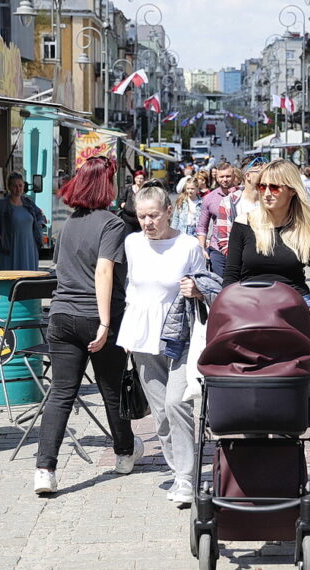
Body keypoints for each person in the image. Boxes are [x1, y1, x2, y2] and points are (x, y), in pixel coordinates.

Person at [34, 156, 143, 496]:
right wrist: (106, 322)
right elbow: (104, 271)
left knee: (61, 394)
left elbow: (60, 269)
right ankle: (124, 454)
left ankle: (44, 470)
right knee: (111, 389)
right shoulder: (111, 224)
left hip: (61, 315)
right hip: (95, 315)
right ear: (105, 186)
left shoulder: (69, 223)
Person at [117, 185, 204, 506]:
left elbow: (206, 284)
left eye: (153, 215)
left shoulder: (188, 245)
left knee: (176, 403)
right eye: (142, 216)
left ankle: (185, 476)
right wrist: (125, 334)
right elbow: (131, 289)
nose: (148, 222)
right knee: (161, 414)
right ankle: (179, 471)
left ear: (169, 211)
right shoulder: (132, 243)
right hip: (142, 337)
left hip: (180, 335)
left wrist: (197, 289)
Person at [222, 158, 310, 321]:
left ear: (292, 190)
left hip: (295, 307)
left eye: (274, 187)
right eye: (262, 186)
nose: (266, 193)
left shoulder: (307, 229)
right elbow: (231, 276)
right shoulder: (243, 223)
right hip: (249, 307)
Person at [0, 173, 45, 271]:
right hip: (10, 247)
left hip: (29, 246)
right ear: (9, 187)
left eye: (20, 185)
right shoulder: (0, 206)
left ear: (23, 186)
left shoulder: (28, 203)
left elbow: (39, 214)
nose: (18, 188)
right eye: (15, 185)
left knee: (28, 277)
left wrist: (39, 225)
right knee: (11, 277)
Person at [196, 162, 240, 276]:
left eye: (228, 176)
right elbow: (202, 226)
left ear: (234, 176)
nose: (225, 179)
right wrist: (202, 249)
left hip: (239, 249)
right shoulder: (209, 198)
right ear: (216, 177)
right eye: (222, 176)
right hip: (217, 249)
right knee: (220, 284)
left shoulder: (242, 195)